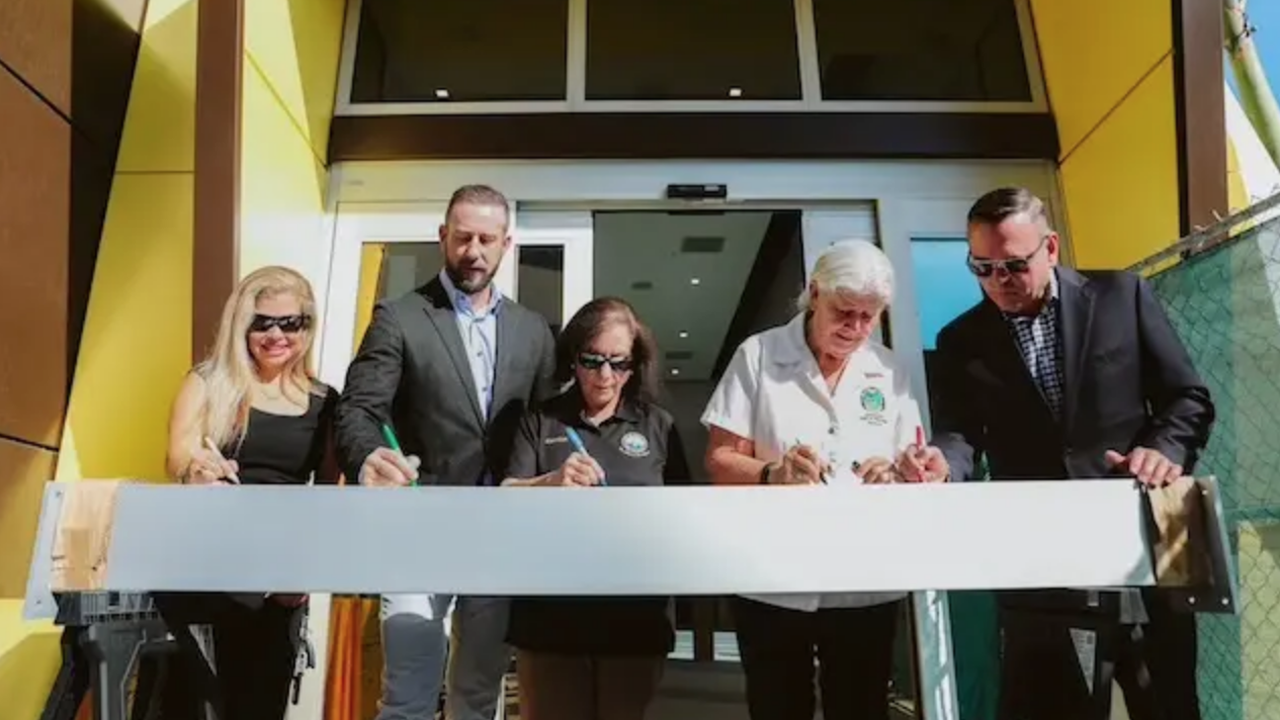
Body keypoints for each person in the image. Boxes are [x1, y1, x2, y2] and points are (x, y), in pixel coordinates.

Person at [927, 187, 1215, 720]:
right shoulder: (960, 340)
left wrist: (1161, 448)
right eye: (982, 268)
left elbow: (1186, 398)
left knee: (1166, 704)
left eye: (1014, 265)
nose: (1000, 281)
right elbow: (960, 434)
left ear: (1051, 248)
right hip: (1038, 561)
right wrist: (942, 464)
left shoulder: (1121, 296)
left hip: (1138, 542)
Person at [335, 184, 558, 720]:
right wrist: (368, 459)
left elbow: (543, 428)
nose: (473, 252)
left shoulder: (533, 332)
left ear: (507, 243)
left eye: (487, 239)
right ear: (442, 237)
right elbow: (358, 409)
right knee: (408, 693)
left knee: (478, 697)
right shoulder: (400, 316)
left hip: (499, 532)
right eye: (462, 238)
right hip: (418, 526)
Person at [701, 240, 948, 720]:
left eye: (868, 316)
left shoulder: (889, 369)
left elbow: (913, 459)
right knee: (777, 707)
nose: (855, 328)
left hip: (864, 578)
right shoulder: (759, 355)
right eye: (844, 312)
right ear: (815, 293)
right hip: (770, 577)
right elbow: (719, 459)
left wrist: (904, 471)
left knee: (860, 707)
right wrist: (773, 472)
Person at [157, 264, 340, 720]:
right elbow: (177, 457)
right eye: (262, 322)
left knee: (259, 704)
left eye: (290, 322)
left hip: (278, 579)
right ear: (242, 325)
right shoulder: (208, 382)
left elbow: (329, 497)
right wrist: (196, 472)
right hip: (204, 569)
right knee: (190, 705)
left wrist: (303, 570)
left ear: (307, 326)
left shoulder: (325, 402)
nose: (276, 334)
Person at [499, 297, 688, 720]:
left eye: (618, 363)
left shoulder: (658, 426)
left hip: (634, 621)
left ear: (635, 364)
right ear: (572, 358)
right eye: (592, 360)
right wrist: (550, 482)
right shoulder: (541, 420)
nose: (605, 376)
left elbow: (683, 518)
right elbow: (506, 498)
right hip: (551, 620)